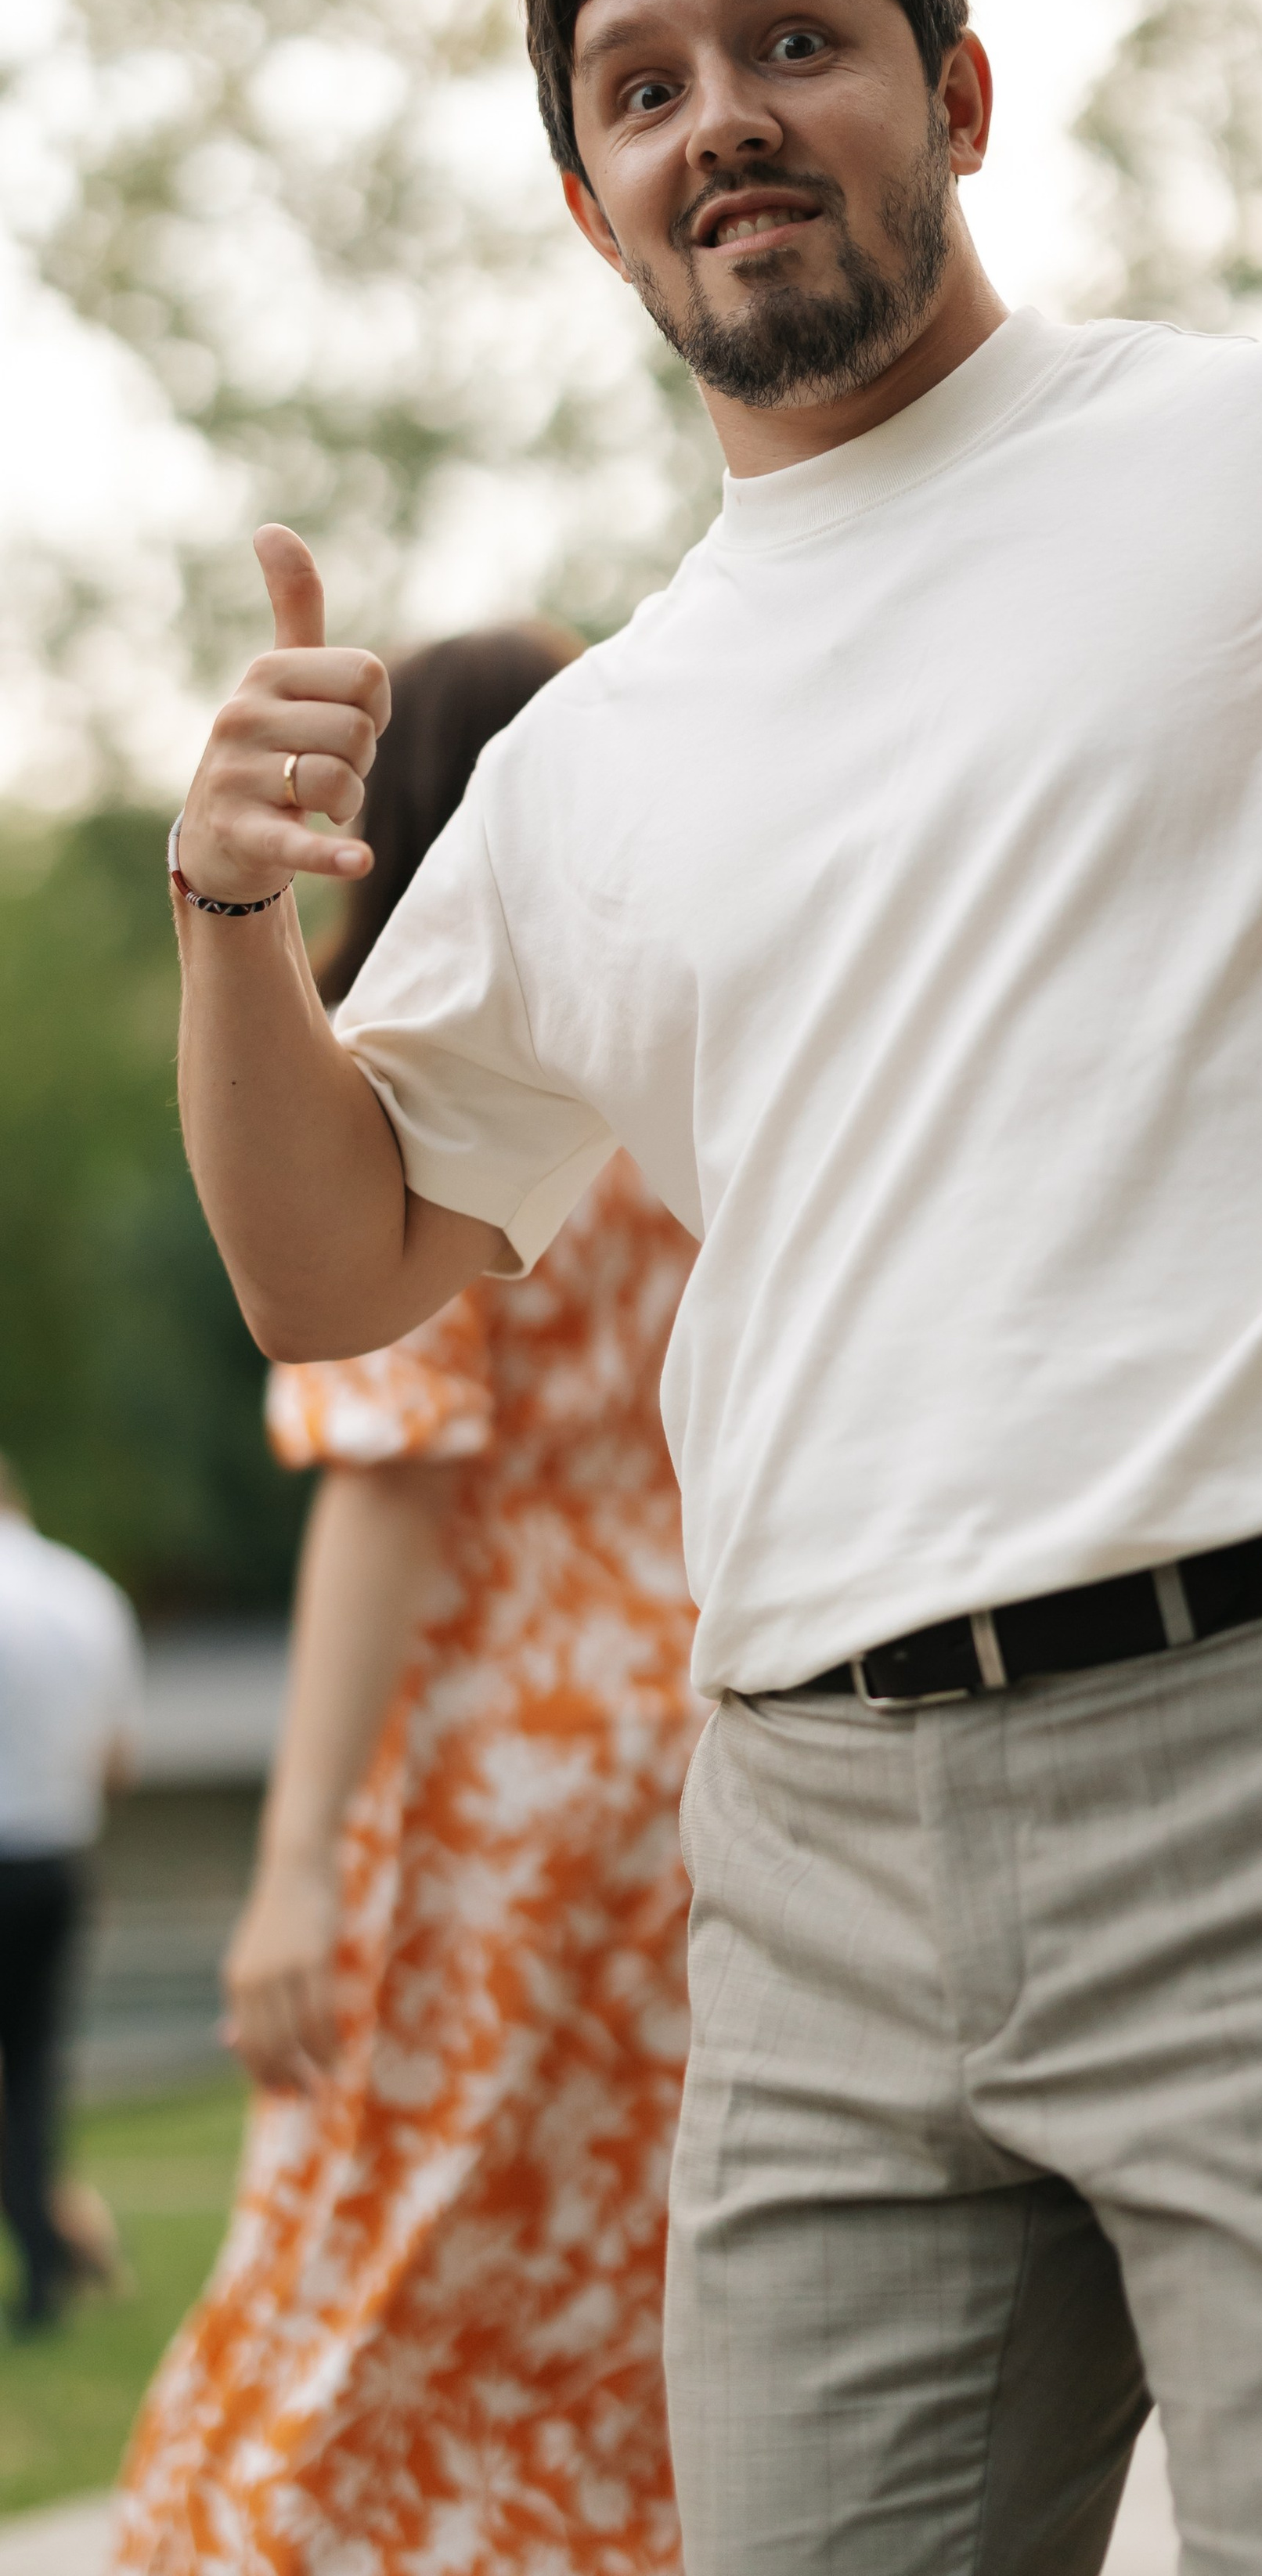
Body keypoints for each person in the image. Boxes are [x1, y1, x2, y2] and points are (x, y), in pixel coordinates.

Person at [162, 0, 1262, 2574]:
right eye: (639, 81)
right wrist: (230, 914)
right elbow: (331, 1261)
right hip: (812, 1843)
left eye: (791, 40)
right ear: (589, 207)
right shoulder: (603, 751)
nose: (717, 110)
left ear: (950, 91)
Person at [112, 626, 702, 2575]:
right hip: (693, 1765)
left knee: (372, 2259)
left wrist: (290, 1863)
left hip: (486, 1780)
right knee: (620, 2276)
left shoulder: (407, 1096)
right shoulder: (669, 1078)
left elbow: (390, 1480)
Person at [0, 1447, 143, 2333]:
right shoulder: (88, 1594)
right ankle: (50, 2258)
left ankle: (50, 2246)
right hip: (59, 1857)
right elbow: (118, 1760)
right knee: (35, 2069)